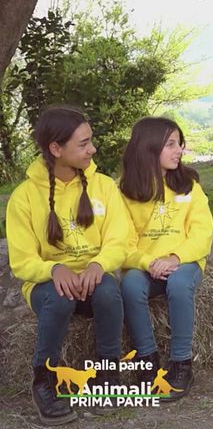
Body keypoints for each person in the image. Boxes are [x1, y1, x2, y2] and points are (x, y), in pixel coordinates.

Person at [6, 105, 128, 425]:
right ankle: (45, 380)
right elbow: (22, 262)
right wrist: (53, 270)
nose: (93, 149)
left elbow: (120, 240)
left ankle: (108, 374)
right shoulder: (23, 197)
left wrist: (99, 264)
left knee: (108, 291)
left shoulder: (104, 186)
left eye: (91, 140)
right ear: (56, 149)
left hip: (92, 279)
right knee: (59, 298)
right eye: (84, 143)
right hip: (47, 287)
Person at [119, 117, 213, 401]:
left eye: (179, 144)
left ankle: (182, 364)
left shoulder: (189, 186)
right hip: (145, 265)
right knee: (130, 286)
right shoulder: (124, 192)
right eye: (171, 144)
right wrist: (148, 263)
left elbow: (202, 234)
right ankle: (147, 363)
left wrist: (175, 257)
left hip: (184, 261)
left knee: (179, 284)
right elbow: (122, 244)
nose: (179, 150)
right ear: (149, 147)